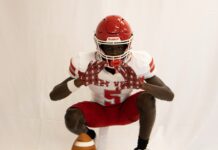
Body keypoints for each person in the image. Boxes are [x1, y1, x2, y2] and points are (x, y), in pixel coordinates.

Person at [50, 15, 174, 150]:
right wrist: (81, 80)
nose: (114, 52)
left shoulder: (138, 62)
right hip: (99, 110)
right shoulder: (86, 63)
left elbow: (169, 95)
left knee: (147, 98)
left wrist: (141, 85)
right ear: (99, 45)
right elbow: (54, 95)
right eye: (109, 47)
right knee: (72, 117)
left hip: (125, 110)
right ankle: (90, 135)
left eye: (120, 47)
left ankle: (141, 148)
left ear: (128, 44)